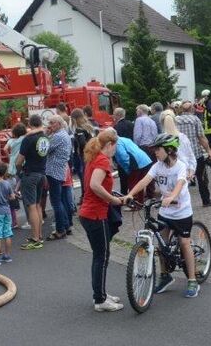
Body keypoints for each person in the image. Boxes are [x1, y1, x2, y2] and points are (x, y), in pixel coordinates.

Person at [125, 133, 200, 298]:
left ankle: (192, 280)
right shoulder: (157, 165)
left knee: (184, 243)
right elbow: (145, 180)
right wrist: (130, 194)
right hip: (165, 211)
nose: (155, 153)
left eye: (158, 149)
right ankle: (165, 276)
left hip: (181, 211)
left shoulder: (180, 166)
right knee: (161, 245)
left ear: (169, 150)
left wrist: (172, 196)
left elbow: (181, 183)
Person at [78, 128, 124, 312]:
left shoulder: (94, 157)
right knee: (102, 257)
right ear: (110, 145)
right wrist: (112, 200)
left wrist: (112, 195)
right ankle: (100, 300)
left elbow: (95, 186)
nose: (116, 149)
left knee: (99, 256)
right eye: (116, 146)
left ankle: (101, 293)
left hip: (89, 213)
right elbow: (94, 185)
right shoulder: (103, 160)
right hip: (96, 215)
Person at [16, 114, 49, 250]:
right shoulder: (45, 137)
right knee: (38, 206)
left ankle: (35, 239)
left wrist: (19, 171)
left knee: (31, 206)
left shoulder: (28, 139)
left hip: (30, 174)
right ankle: (39, 235)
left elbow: (19, 161)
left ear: (30, 124)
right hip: (42, 173)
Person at [177, 101, 211, 207]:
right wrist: (209, 151)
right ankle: (206, 200)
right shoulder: (195, 120)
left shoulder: (175, 120)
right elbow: (201, 138)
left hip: (180, 156)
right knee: (202, 178)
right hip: (195, 154)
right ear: (192, 109)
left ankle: (180, 203)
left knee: (181, 180)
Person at [44, 115, 72, 241]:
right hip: (60, 170)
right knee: (60, 200)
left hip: (54, 171)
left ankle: (60, 230)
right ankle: (66, 226)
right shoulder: (64, 135)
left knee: (56, 202)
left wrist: (45, 134)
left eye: (52, 123)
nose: (50, 125)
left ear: (59, 124)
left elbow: (45, 149)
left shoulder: (58, 136)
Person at [113, 133, 152, 204]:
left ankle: (133, 204)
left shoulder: (117, 144)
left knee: (132, 183)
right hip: (145, 159)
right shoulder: (124, 139)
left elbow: (123, 157)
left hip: (135, 162)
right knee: (140, 182)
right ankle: (140, 202)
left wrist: (127, 170)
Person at [160, 110, 197, 180]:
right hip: (183, 173)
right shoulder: (183, 137)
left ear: (161, 123)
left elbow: (160, 160)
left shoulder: (160, 140)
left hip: (167, 175)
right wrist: (191, 171)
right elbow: (191, 157)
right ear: (175, 121)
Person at [5, 122, 27, 228]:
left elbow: (5, 149)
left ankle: (15, 194)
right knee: (21, 179)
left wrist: (9, 156)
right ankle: (17, 192)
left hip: (13, 162)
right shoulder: (24, 139)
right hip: (22, 160)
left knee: (12, 183)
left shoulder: (10, 141)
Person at [71, 108, 94, 204]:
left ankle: (86, 197)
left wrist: (77, 147)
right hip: (91, 153)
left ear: (74, 119)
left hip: (84, 155)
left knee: (85, 176)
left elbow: (82, 143)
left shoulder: (79, 129)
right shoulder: (89, 126)